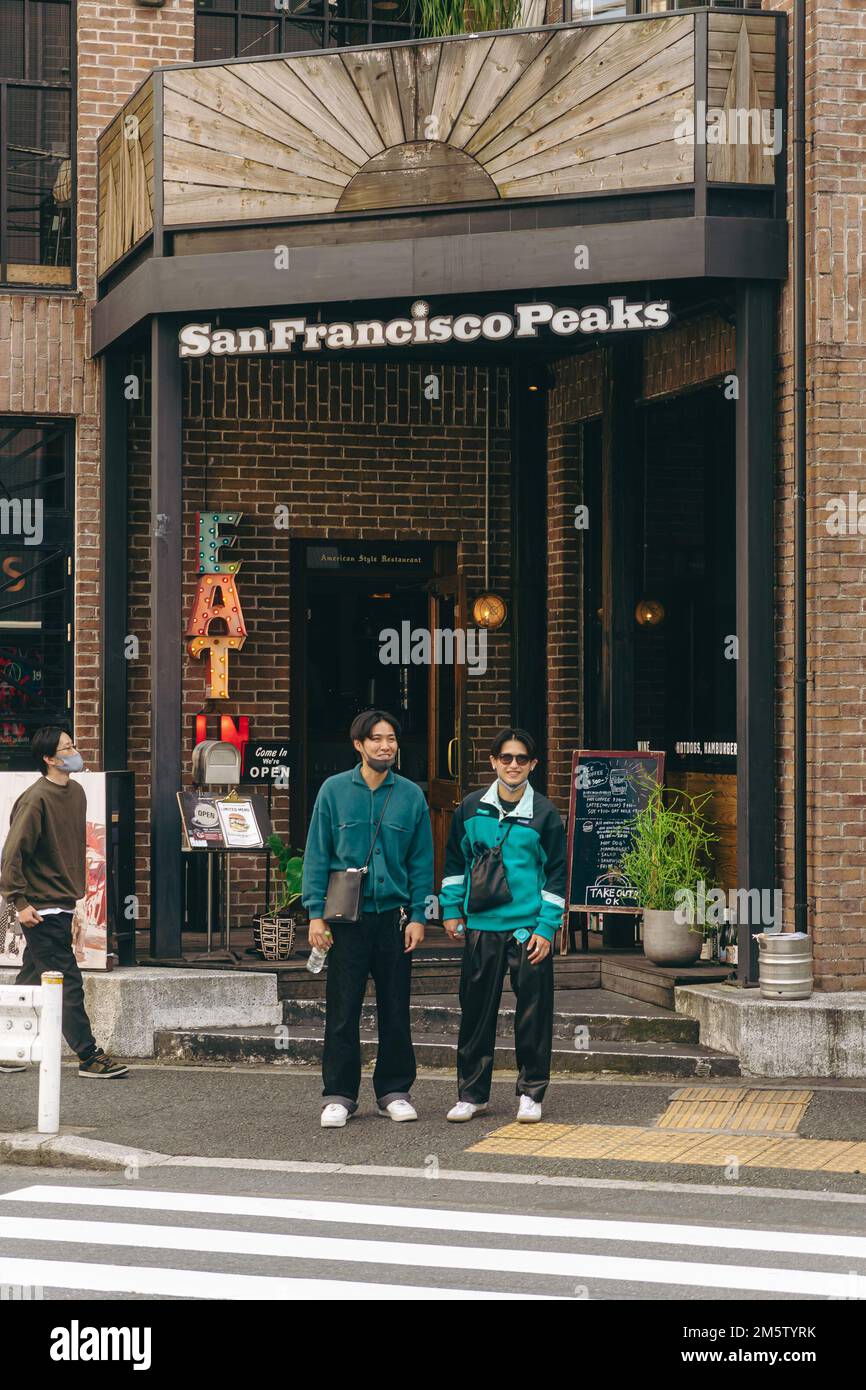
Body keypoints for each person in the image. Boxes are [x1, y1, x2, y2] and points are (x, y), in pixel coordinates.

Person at [303, 709, 433, 1128]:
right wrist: (315, 915)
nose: (385, 746)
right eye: (376, 738)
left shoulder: (411, 795)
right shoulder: (334, 790)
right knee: (343, 1009)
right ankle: (339, 1095)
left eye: (391, 738)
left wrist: (418, 915)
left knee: (396, 1007)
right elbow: (317, 854)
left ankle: (394, 1091)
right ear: (359, 744)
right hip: (345, 920)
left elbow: (421, 861)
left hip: (393, 918)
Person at [440, 728, 566, 1124]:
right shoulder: (470, 807)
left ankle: (531, 1093)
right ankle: (472, 1094)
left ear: (533, 765)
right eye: (505, 758)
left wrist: (547, 928)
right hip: (481, 926)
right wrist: (449, 910)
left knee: (533, 1012)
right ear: (493, 762)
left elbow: (558, 875)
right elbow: (455, 863)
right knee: (476, 1012)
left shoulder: (545, 813)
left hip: (528, 929)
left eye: (521, 758)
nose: (513, 765)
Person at [0, 727, 128, 1078]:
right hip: (41, 909)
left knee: (31, 976)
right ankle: (89, 1055)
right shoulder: (35, 799)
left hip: (63, 902)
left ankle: (7, 1049)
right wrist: (19, 902)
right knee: (67, 980)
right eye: (67, 747)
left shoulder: (76, 793)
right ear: (49, 758)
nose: (74, 751)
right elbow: (11, 855)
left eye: (73, 745)